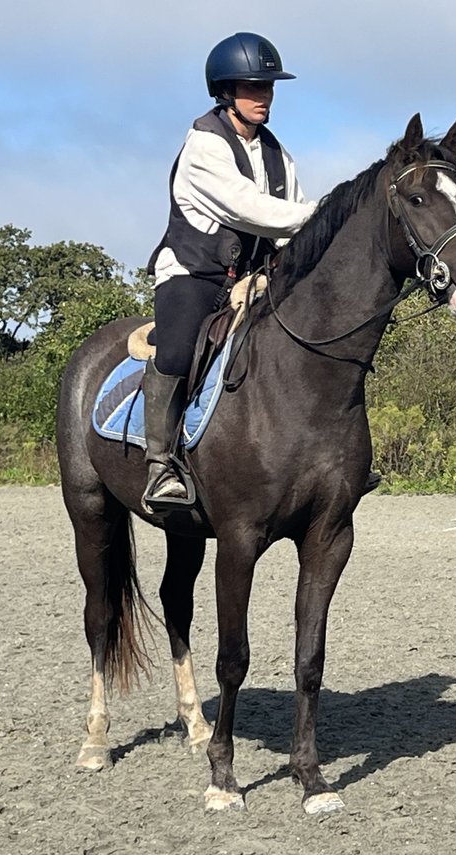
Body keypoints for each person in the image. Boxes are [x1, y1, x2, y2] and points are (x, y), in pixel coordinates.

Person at [143, 31, 316, 507]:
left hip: (257, 278)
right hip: (194, 274)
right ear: (225, 92)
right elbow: (247, 209)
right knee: (178, 351)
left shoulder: (280, 155)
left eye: (268, 87)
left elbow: (288, 223)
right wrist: (324, 215)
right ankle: (160, 463)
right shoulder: (204, 147)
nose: (264, 97)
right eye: (252, 87)